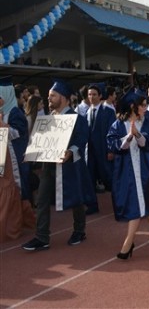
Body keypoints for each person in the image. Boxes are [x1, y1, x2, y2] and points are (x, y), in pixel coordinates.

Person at [22, 79, 93, 251]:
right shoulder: (48, 119)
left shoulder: (77, 118)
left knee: (76, 198)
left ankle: (79, 230)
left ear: (64, 98)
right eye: (48, 96)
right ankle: (42, 237)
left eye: (53, 96)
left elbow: (82, 139)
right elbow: (40, 141)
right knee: (42, 199)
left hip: (71, 165)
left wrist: (70, 151)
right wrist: (33, 151)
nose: (49, 99)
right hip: (49, 165)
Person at [107, 89, 149, 259]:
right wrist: (128, 137)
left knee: (141, 200)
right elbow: (112, 144)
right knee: (140, 201)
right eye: (143, 105)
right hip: (126, 169)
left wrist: (138, 134)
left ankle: (128, 243)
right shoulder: (118, 124)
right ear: (133, 106)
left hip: (145, 166)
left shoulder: (148, 120)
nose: (146, 107)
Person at [0, 77, 35, 242]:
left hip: (13, 157)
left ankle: (17, 224)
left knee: (15, 190)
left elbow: (19, 134)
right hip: (2, 156)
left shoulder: (14, 112)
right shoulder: (4, 112)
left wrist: (1, 125)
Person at [86, 83, 116, 196]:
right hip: (90, 151)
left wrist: (111, 150)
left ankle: (118, 201)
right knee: (90, 177)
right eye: (89, 94)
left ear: (100, 96)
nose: (91, 97)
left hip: (104, 149)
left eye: (94, 94)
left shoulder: (108, 112)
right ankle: (92, 205)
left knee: (108, 176)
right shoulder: (87, 112)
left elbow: (112, 132)